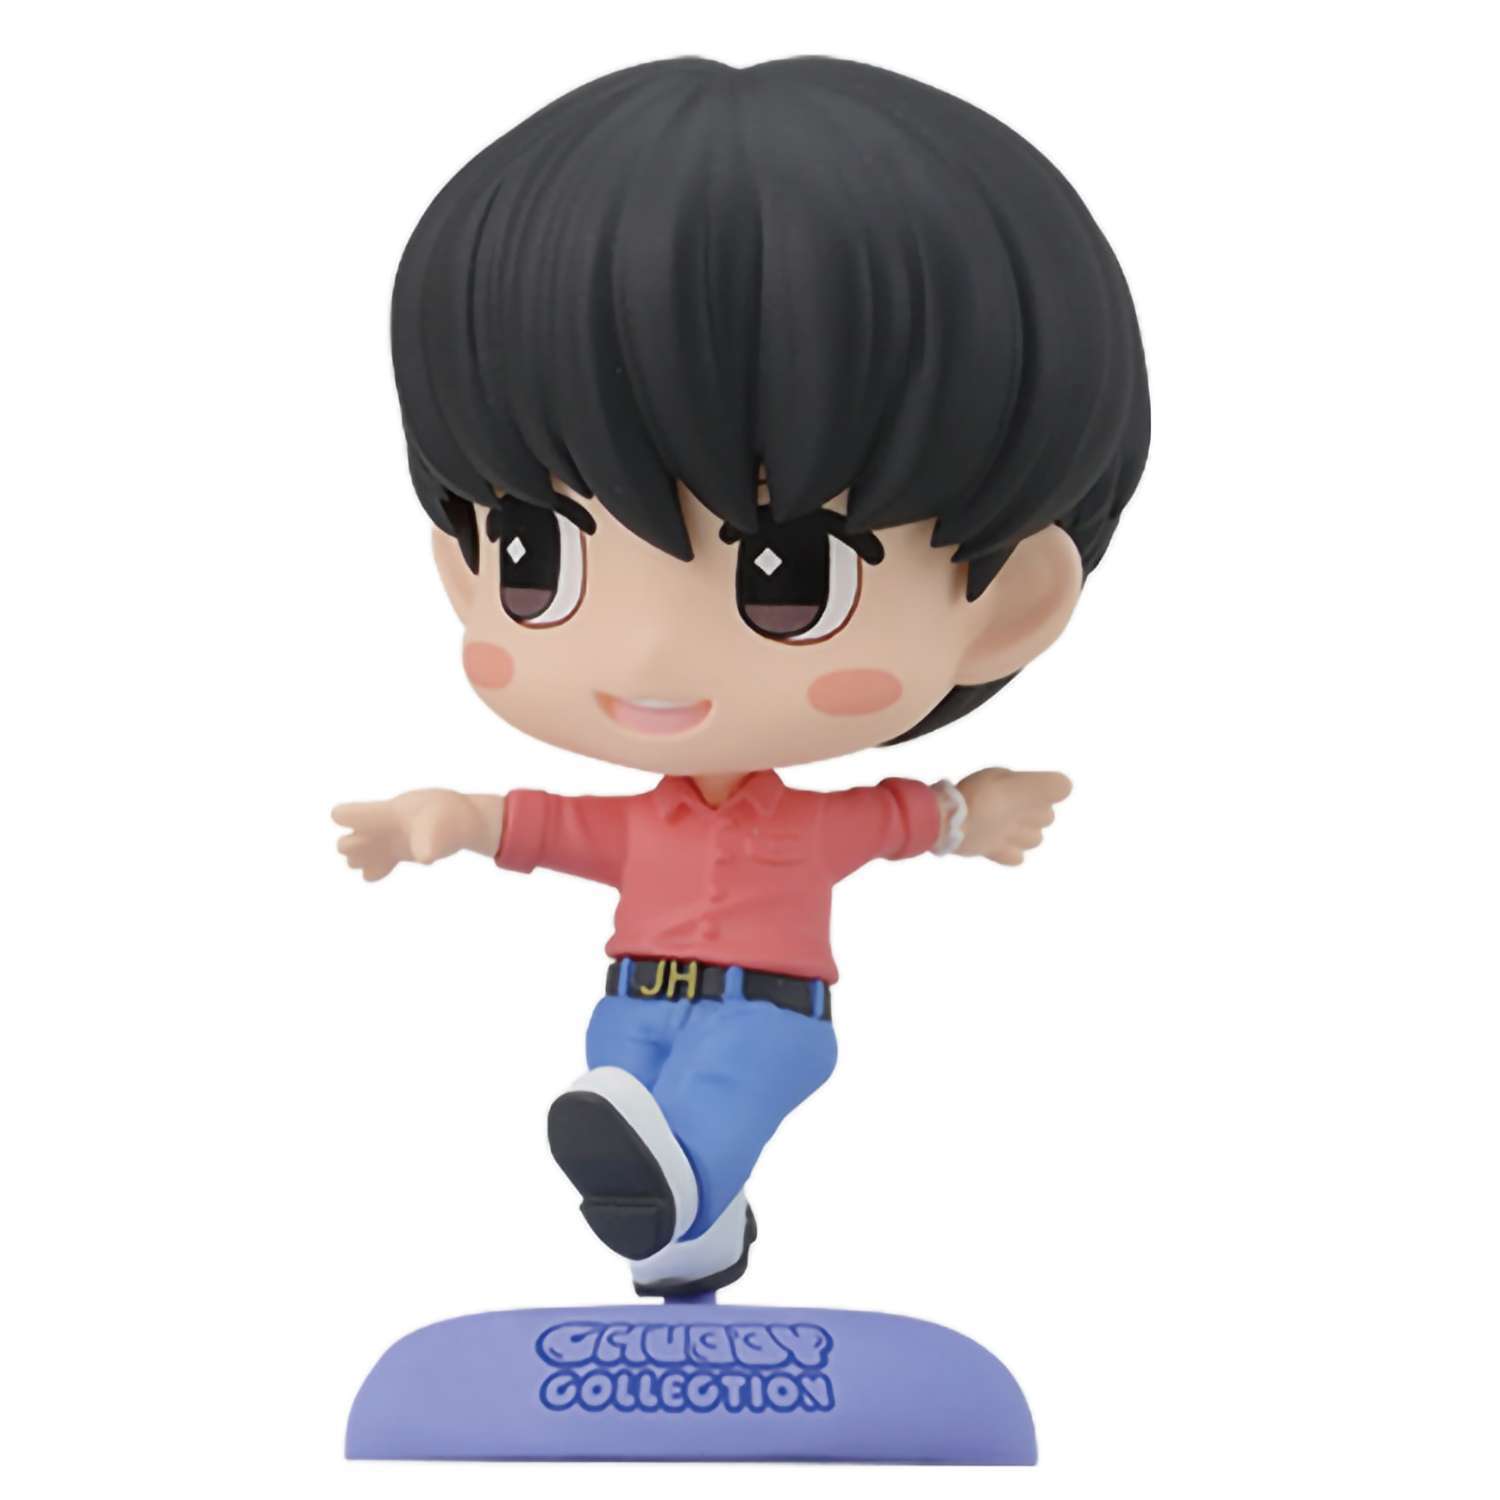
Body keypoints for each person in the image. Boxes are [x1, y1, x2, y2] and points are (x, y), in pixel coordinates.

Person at [334, 56, 1149, 1298]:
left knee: (707, 1108)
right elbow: (549, 828)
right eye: (537, 556)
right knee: (625, 1094)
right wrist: (442, 821)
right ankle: (693, 1242)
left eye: (789, 574)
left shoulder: (803, 830)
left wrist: (974, 811)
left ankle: (675, 1187)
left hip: (767, 1018)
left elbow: (895, 819)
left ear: (1010, 604)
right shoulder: (643, 825)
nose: (649, 655)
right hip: (633, 1001)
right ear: (463, 563)